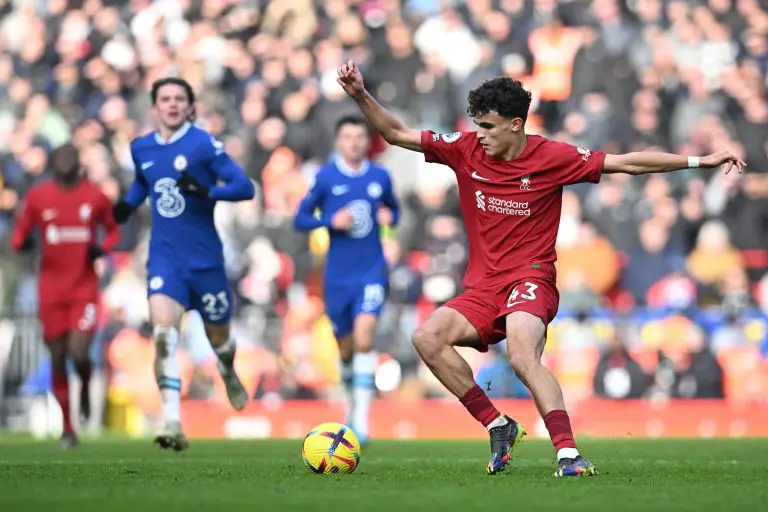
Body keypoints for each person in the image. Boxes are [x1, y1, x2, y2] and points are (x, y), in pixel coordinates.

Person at [337, 60, 745, 477]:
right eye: (477, 125)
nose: (481, 135)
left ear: (516, 125)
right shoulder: (464, 148)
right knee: (427, 337)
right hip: (482, 287)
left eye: (489, 127)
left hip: (531, 279)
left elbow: (628, 163)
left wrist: (701, 161)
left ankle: (568, 453)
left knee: (520, 352)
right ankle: (498, 424)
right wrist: (358, 94)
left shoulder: (552, 156)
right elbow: (395, 133)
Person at [112, 77, 256, 451]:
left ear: (191, 107)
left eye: (180, 99)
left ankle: (226, 368)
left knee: (219, 340)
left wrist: (208, 191)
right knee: (163, 334)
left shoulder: (204, 145)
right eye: (166, 99)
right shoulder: (141, 148)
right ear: (154, 107)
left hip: (206, 261)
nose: (173, 104)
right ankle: (173, 422)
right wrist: (126, 205)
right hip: (165, 258)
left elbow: (244, 187)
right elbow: (144, 184)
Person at [293, 116, 400, 444]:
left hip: (371, 270)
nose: (354, 142)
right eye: (348, 137)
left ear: (367, 142)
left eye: (359, 137)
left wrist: (388, 217)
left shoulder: (379, 176)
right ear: (338, 142)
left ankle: (363, 422)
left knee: (366, 336)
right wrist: (329, 221)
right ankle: (351, 406)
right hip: (337, 275)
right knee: (346, 349)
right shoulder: (325, 178)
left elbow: (395, 211)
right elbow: (299, 218)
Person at [11, 143, 121, 448]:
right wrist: (25, 244)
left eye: (71, 157)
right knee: (57, 357)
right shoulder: (38, 198)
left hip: (84, 288)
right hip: (50, 288)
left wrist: (102, 249)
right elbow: (19, 235)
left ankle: (85, 385)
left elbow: (113, 231)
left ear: (78, 163)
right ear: (53, 163)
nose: (66, 163)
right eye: (61, 158)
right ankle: (68, 428)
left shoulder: (94, 196)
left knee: (80, 352)